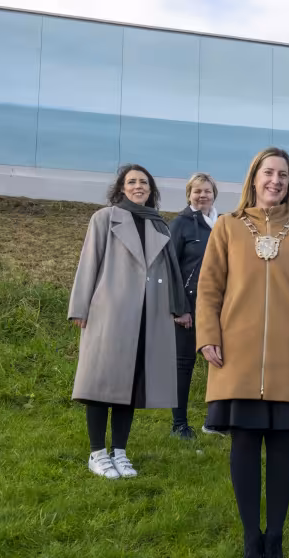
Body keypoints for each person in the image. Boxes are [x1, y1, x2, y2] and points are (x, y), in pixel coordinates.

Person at [195, 147, 289, 558]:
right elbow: (209, 288)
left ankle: (276, 537)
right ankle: (251, 538)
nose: (276, 181)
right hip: (235, 353)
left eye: (283, 176)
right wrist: (207, 336)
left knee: (282, 448)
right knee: (245, 444)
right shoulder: (228, 227)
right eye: (269, 173)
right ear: (254, 178)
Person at [69, 164, 190, 479]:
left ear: (151, 189)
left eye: (144, 182)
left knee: (131, 386)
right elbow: (89, 262)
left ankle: (119, 452)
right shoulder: (105, 218)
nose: (139, 186)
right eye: (132, 181)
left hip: (148, 316)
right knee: (101, 383)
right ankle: (97, 453)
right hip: (109, 312)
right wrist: (80, 309)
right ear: (122, 188)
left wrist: (179, 308)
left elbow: (172, 272)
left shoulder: (159, 225)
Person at [168, 172, 223, 440]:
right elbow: (170, 268)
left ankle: (215, 421)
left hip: (221, 308)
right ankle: (179, 424)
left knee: (221, 362)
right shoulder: (181, 223)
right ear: (189, 194)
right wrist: (180, 309)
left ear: (215, 194)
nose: (203, 195)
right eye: (197, 191)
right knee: (184, 365)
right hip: (189, 308)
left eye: (207, 191)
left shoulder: (224, 223)